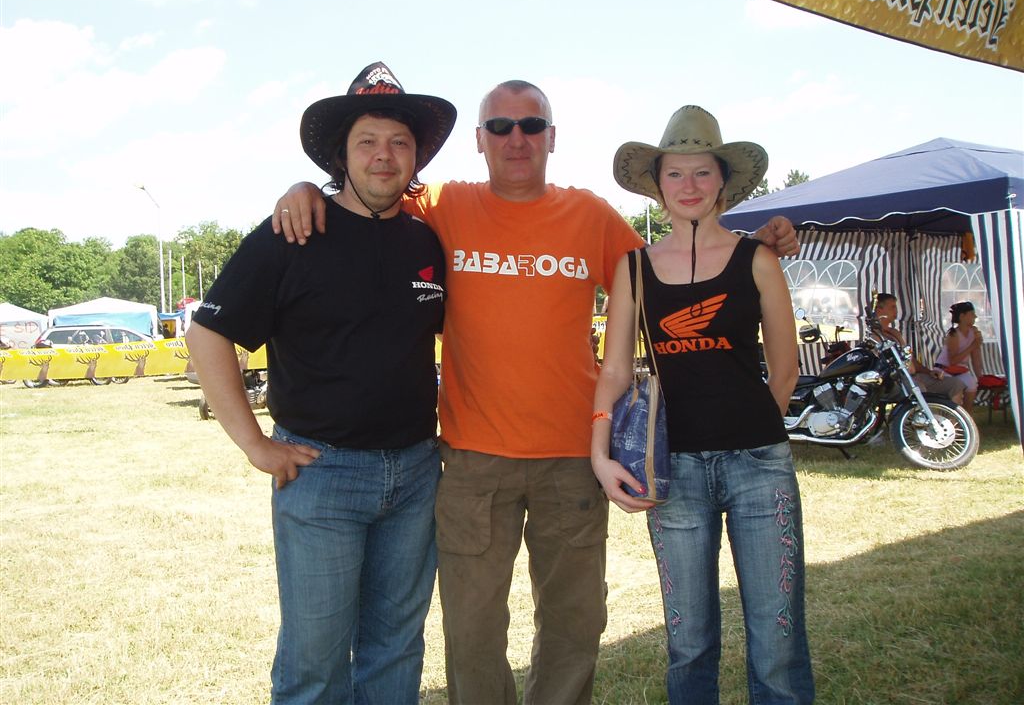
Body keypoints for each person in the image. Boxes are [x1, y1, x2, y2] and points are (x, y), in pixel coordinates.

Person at [273, 81, 800, 705]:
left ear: (552, 137)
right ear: (479, 140)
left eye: (531, 126)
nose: (515, 139)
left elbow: (679, 268)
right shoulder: (442, 203)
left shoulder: (590, 215)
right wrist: (307, 189)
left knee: (575, 625)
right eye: (500, 127)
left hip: (573, 459)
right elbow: (369, 188)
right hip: (473, 461)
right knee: (472, 631)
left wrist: (758, 242)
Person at [186, 62, 455, 704]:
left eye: (399, 141)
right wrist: (256, 445)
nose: (384, 155)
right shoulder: (292, 234)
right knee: (315, 660)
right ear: (342, 154)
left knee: (397, 648)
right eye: (368, 141)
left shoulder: (428, 242)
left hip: (418, 471)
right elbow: (208, 334)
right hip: (322, 473)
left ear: (416, 156)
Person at [591, 105, 814, 704]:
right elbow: (615, 369)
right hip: (674, 471)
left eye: (701, 173)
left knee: (778, 634)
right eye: (675, 173)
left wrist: (751, 430)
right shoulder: (634, 268)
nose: (688, 185)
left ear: (722, 181)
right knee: (688, 640)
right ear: (657, 183)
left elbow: (785, 368)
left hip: (759, 467)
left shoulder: (758, 259)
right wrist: (600, 452)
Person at [872, 293, 966, 405]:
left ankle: (948, 415)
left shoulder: (895, 333)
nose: (895, 310)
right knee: (919, 389)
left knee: (956, 384)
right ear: (879, 310)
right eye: (892, 307)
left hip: (914, 376)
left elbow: (911, 359)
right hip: (898, 380)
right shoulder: (874, 336)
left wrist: (929, 372)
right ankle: (923, 416)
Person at [935, 301, 983, 413]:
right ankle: (953, 417)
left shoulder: (974, 332)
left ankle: (967, 416)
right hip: (944, 370)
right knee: (957, 389)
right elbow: (953, 361)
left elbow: (976, 357)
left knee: (972, 385)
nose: (975, 317)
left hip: (960, 370)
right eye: (972, 314)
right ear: (962, 316)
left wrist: (980, 377)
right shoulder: (953, 334)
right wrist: (972, 346)